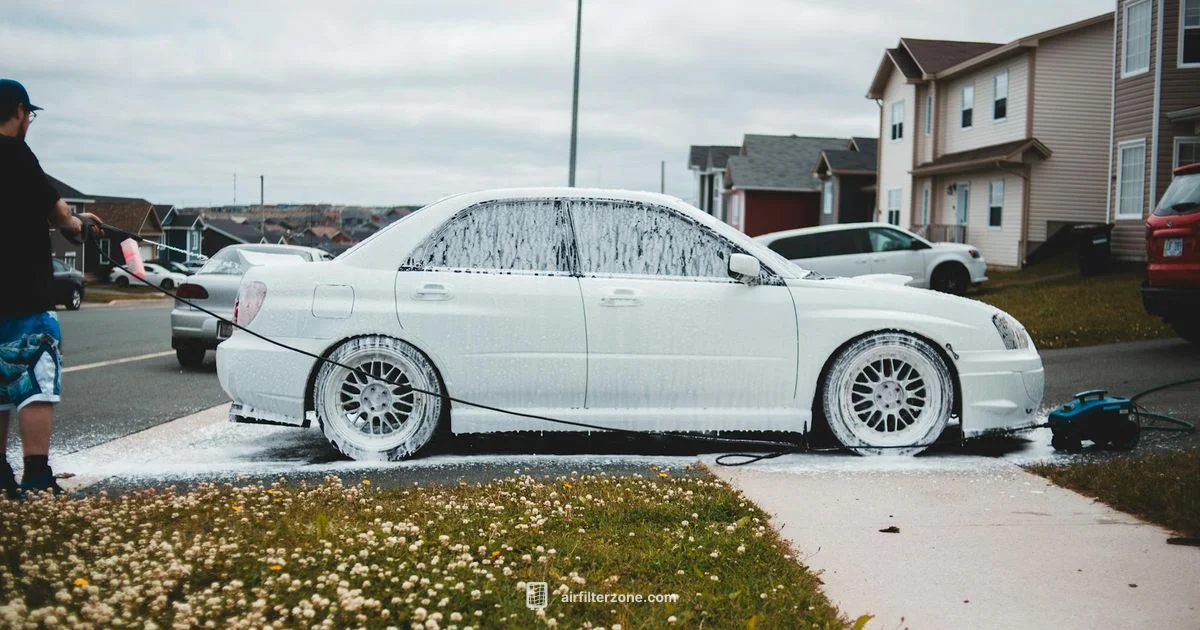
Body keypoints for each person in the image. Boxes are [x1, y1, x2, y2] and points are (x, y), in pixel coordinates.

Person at [0, 79, 101, 498]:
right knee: (35, 384)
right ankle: (37, 474)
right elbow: (62, 217)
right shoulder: (20, 157)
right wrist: (83, 226)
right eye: (30, 115)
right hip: (27, 293)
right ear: (20, 111)